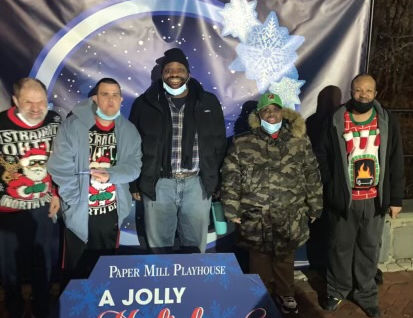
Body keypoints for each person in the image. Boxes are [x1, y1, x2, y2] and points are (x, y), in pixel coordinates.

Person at [220, 93, 323, 314]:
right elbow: (230, 176)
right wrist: (231, 207)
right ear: (258, 115)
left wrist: (315, 205)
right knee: (258, 257)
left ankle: (286, 294)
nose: (271, 114)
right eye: (266, 110)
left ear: (282, 113)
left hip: (290, 213)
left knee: (285, 257)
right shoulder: (242, 142)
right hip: (255, 214)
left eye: (275, 109)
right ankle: (260, 297)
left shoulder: (299, 141)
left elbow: (311, 173)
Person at [317, 74, 404, 317]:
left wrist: (395, 199)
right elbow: (321, 155)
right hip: (345, 201)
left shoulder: (387, 120)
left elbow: (396, 160)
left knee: (369, 248)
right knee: (339, 248)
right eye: (358, 90)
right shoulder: (335, 119)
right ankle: (337, 290)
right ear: (351, 91)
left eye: (368, 90)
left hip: (375, 199)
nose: (362, 94)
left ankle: (365, 294)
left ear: (375, 93)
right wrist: (332, 185)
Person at [129, 48, 227, 254]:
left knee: (194, 247)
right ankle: (160, 285)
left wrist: (215, 180)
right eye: (169, 70)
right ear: (162, 74)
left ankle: (193, 286)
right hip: (159, 185)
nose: (174, 74)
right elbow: (133, 146)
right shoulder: (145, 104)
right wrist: (135, 183)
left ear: (188, 74)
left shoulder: (208, 102)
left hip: (196, 184)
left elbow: (218, 144)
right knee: (159, 248)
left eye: (180, 69)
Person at [47, 77, 142, 285]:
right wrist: (75, 199)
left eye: (115, 95)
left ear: (121, 100)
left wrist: (112, 175)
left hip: (110, 213)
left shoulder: (128, 131)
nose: (110, 100)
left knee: (105, 270)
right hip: (79, 211)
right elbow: (59, 166)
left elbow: (134, 167)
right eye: (105, 94)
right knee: (75, 274)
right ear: (95, 98)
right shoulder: (73, 126)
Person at [0, 78, 61, 318]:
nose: (36, 109)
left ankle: (41, 309)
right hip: (7, 211)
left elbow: (60, 160)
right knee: (10, 269)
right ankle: (14, 310)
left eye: (41, 102)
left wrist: (57, 193)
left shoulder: (55, 120)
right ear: (15, 101)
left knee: (42, 266)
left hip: (43, 206)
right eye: (28, 102)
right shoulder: (1, 125)